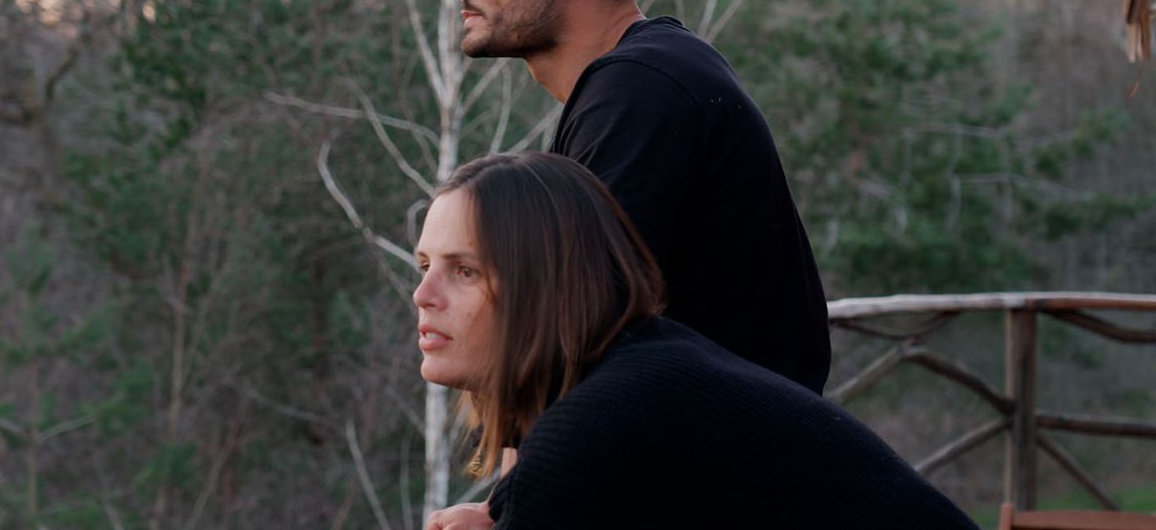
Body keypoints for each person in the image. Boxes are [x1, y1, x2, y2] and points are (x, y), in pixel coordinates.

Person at [407, 0, 830, 396]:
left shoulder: (642, 89)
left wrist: (520, 474)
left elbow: (564, 337)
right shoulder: (645, 75)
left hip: (726, 463)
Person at [413, 153, 979, 530]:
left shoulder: (597, 423)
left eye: (464, 270)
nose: (423, 294)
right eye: (423, 265)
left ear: (546, 283)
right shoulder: (646, 368)